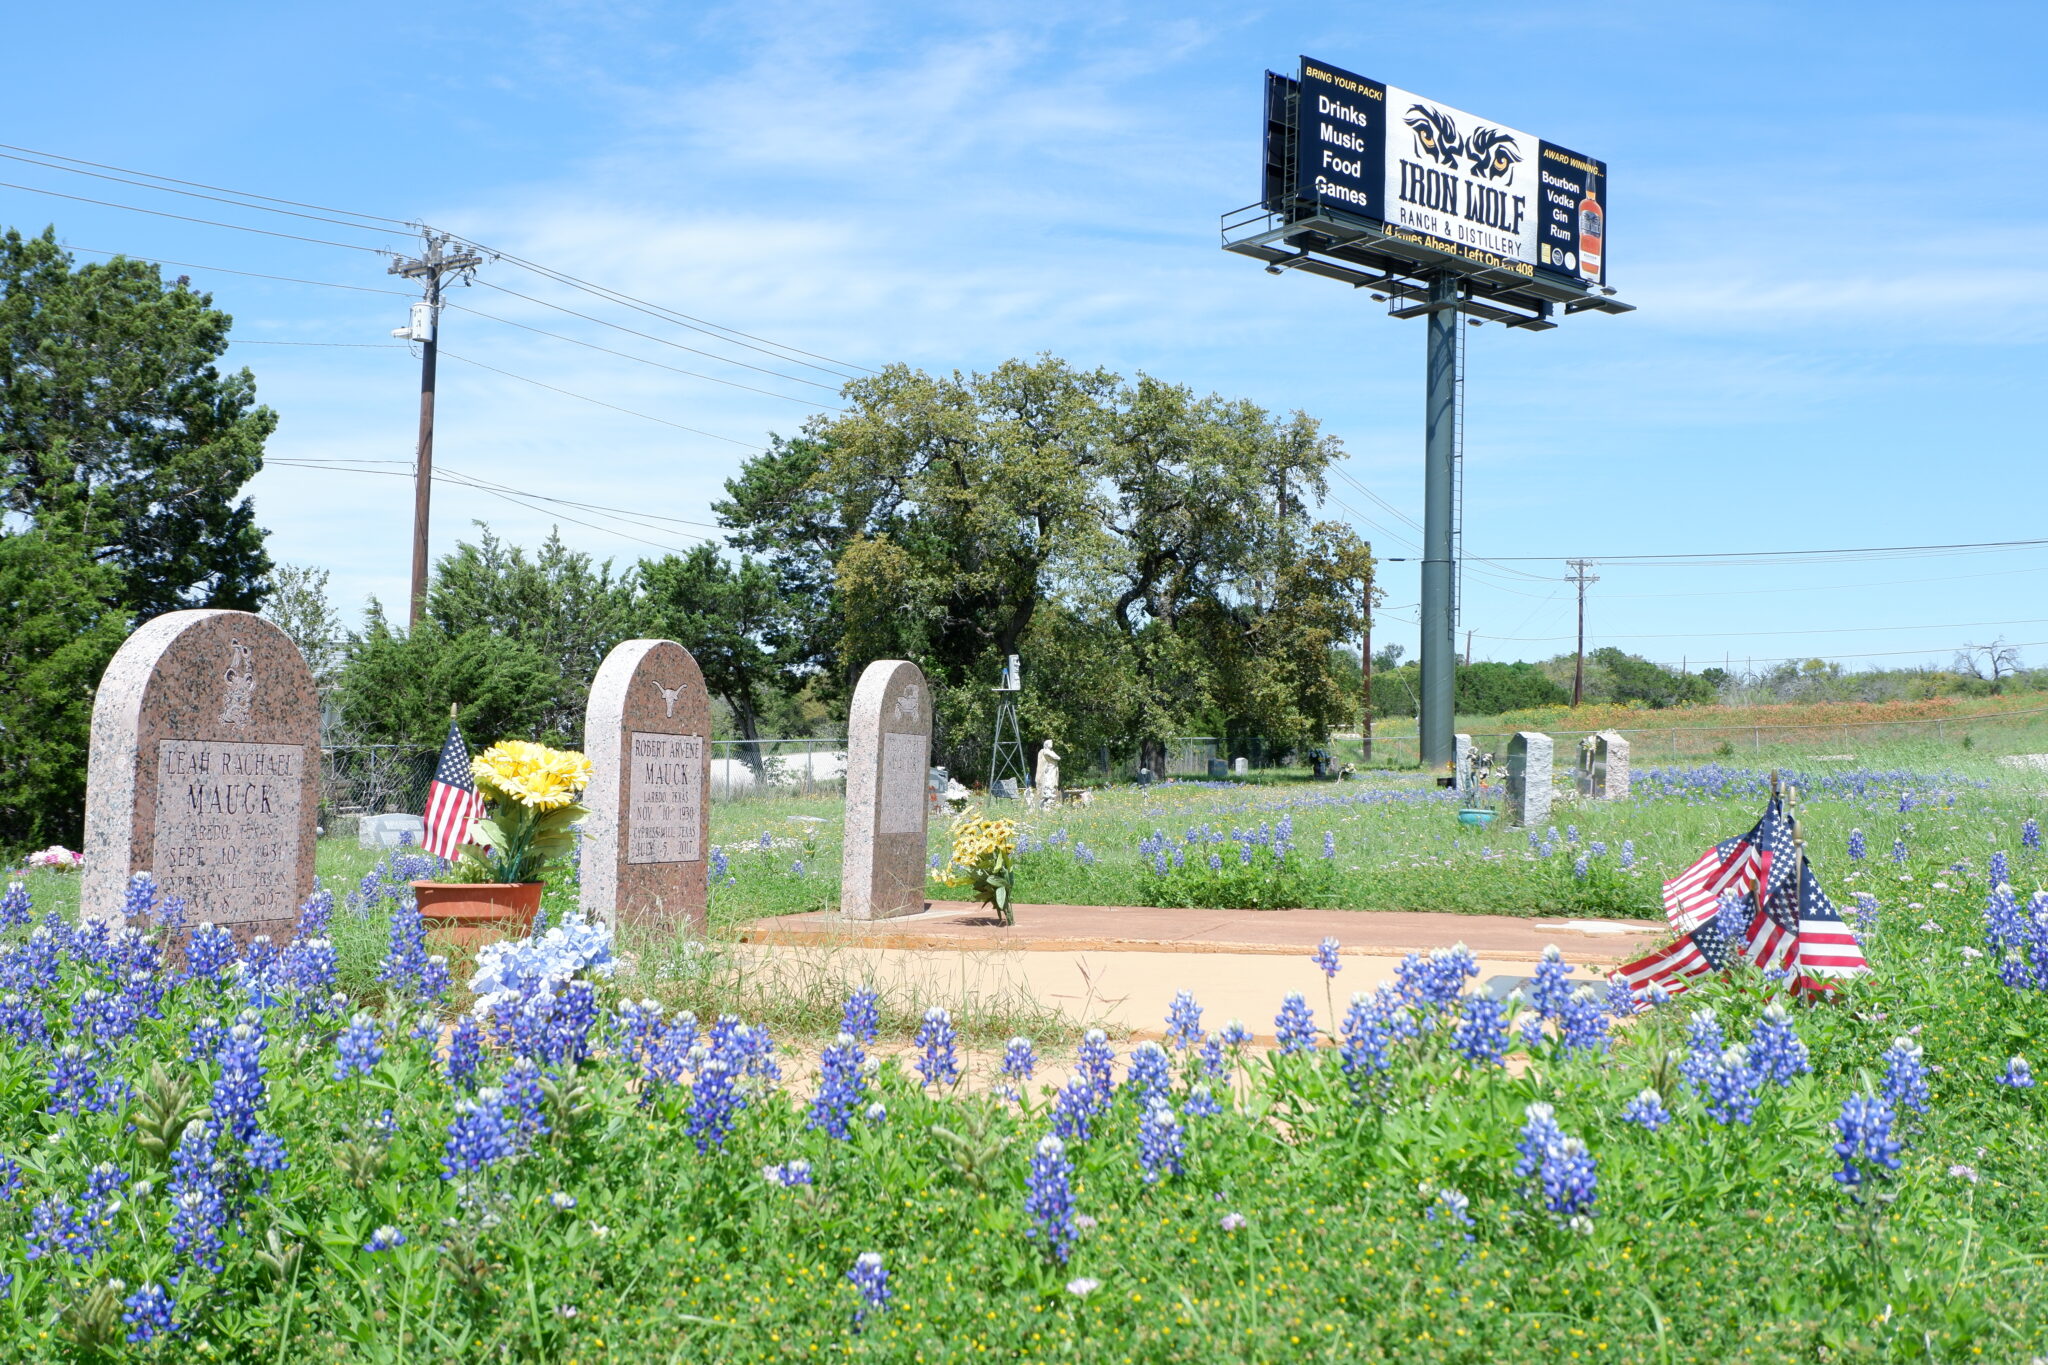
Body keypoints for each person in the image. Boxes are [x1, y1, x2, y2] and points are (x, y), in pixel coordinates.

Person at [1034, 739, 1061, 809]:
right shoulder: (1046, 751)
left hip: (1053, 769)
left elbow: (1058, 757)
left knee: (1053, 782)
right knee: (1049, 782)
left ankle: (1050, 798)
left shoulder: (1051, 751)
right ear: (1046, 744)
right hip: (1050, 769)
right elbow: (1057, 757)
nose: (1051, 744)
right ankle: (1047, 797)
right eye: (1050, 743)